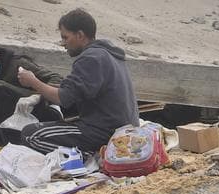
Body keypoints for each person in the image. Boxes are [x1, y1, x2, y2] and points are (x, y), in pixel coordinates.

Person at [14, 8, 139, 154]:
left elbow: (63, 98)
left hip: (106, 132)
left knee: (31, 135)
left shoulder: (90, 58)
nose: (63, 43)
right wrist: (42, 87)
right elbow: (75, 89)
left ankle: (90, 157)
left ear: (80, 35)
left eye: (65, 37)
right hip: (124, 129)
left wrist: (34, 81)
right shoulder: (107, 54)